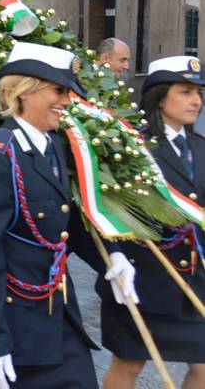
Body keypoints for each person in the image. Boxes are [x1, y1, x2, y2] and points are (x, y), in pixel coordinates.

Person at [0, 42, 138, 389]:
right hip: (10, 320)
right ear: (24, 91)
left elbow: (64, 221)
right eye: (58, 90)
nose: (67, 101)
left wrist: (111, 257)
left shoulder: (52, 144)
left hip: (55, 314)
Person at [99, 55, 205, 389]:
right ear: (160, 95)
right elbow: (104, 209)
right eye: (185, 91)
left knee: (203, 367)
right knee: (129, 364)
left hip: (194, 279)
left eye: (199, 92)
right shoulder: (132, 147)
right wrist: (112, 255)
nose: (197, 100)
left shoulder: (200, 147)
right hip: (144, 278)